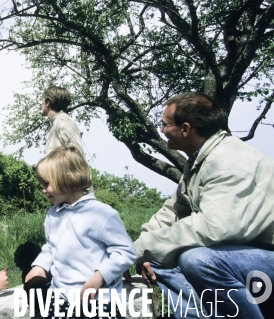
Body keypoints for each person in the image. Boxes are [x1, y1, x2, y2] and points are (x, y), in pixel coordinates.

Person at [134, 92, 274, 319]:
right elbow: (173, 210)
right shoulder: (200, 161)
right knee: (159, 258)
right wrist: (141, 251)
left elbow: (212, 226)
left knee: (198, 259)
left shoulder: (228, 161)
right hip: (244, 255)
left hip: (266, 254)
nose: (161, 130)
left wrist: (138, 250)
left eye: (164, 124)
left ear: (185, 129)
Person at [25, 147, 136, 318]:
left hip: (98, 298)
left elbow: (125, 251)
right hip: (61, 295)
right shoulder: (53, 214)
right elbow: (51, 247)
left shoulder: (101, 214)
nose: (43, 190)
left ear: (68, 180)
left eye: (47, 184)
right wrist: (40, 266)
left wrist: (100, 276)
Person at [41, 86, 84, 155]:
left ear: (48, 102)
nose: (41, 103)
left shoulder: (64, 121)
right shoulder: (57, 123)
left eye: (42, 100)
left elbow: (76, 154)